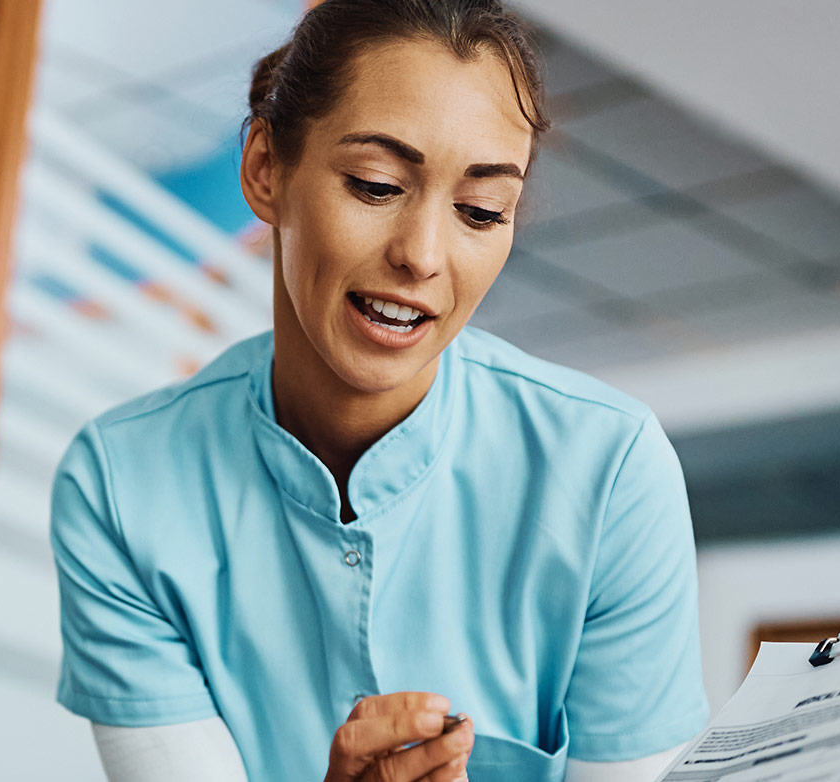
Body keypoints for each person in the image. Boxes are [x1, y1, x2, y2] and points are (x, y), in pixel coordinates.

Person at [50, 2, 708, 781]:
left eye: (479, 210)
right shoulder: (121, 484)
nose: (423, 256)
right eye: (375, 185)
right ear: (266, 170)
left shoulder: (610, 472)